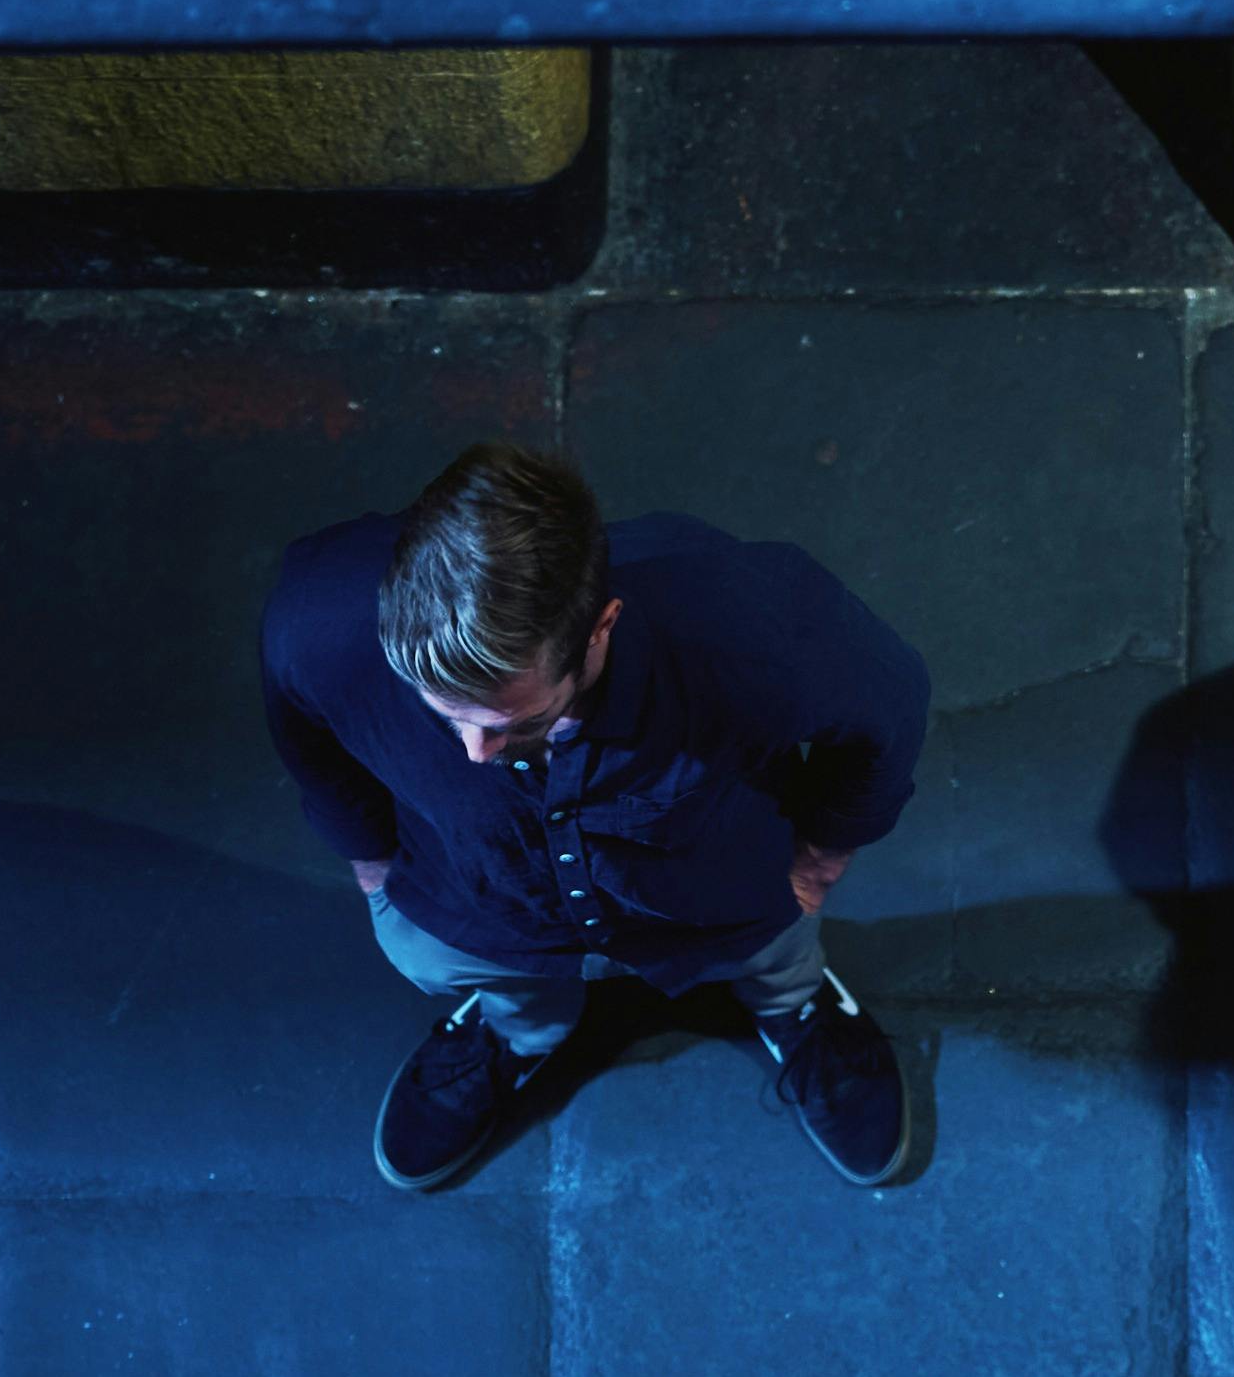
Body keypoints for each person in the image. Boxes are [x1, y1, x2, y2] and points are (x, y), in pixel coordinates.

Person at [259, 438, 925, 1196]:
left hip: (720, 895)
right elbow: (305, 736)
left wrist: (819, 859)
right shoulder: (316, 619)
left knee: (777, 960)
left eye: (519, 719)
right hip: (484, 906)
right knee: (516, 990)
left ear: (601, 627)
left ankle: (797, 1007)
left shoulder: (761, 626)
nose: (477, 753)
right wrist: (372, 863)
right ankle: (514, 1032)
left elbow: (891, 717)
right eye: (445, 715)